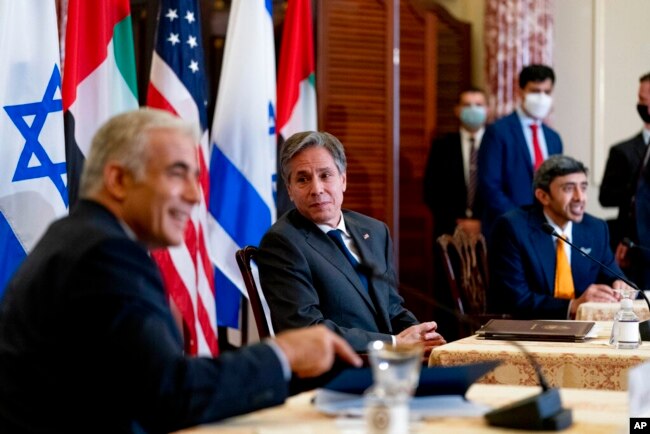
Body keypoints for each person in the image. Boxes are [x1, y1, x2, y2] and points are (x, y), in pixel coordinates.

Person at [0, 109, 362, 433]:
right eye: (178, 174)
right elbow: (171, 395)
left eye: (196, 178)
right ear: (118, 179)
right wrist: (283, 354)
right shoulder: (103, 253)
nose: (193, 196)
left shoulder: (82, 236)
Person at [256, 131, 446, 352]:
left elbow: (391, 307)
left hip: (388, 366)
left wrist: (421, 334)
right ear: (289, 190)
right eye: (303, 179)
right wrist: (394, 343)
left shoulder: (375, 231)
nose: (316, 189)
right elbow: (307, 329)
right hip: (335, 373)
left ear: (343, 180)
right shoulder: (282, 243)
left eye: (325, 175)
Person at [487, 155, 627, 320]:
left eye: (583, 187)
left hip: (584, 330)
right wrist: (573, 305)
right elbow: (516, 299)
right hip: (527, 331)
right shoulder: (512, 228)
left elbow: (613, 274)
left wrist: (619, 285)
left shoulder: (595, 228)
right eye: (569, 189)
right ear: (543, 196)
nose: (580, 197)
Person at [478, 64, 563, 238]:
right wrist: (520, 220)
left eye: (546, 92)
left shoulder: (553, 138)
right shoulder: (498, 131)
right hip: (506, 229)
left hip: (544, 230)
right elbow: (490, 187)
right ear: (520, 92)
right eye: (535, 91)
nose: (541, 97)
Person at [599, 72, 650, 287]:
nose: (641, 104)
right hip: (634, 249)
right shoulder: (623, 151)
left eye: (644, 98)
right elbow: (606, 197)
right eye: (640, 98)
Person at [423, 87, 488, 237]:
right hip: (449, 232)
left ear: (487, 109)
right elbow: (431, 191)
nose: (473, 109)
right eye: (467, 105)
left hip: (489, 233)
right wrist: (458, 223)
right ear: (457, 110)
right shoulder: (442, 145)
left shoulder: (497, 145)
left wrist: (482, 222)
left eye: (478, 105)